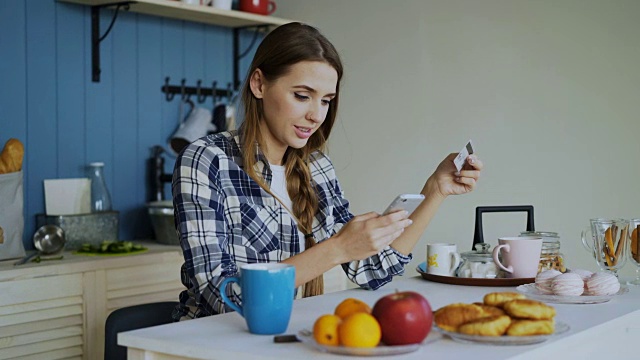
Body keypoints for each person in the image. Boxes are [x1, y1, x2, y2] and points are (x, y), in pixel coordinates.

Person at [171, 22, 483, 320]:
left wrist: (435, 190)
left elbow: (373, 269)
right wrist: (335, 250)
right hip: (214, 343)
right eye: (302, 96)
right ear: (259, 84)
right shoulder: (206, 160)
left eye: (326, 101)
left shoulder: (316, 167)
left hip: (285, 339)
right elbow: (226, 295)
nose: (315, 115)